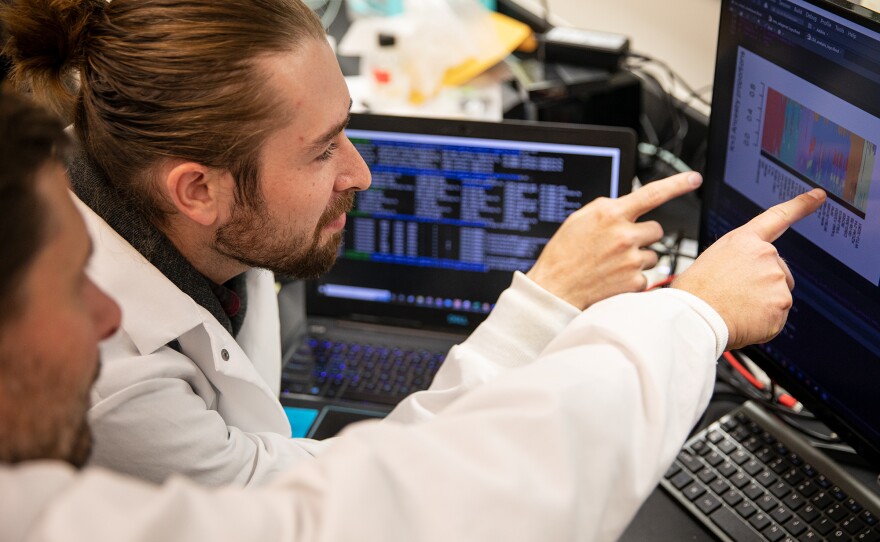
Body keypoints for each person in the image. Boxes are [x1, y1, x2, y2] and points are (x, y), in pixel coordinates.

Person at [0, 0, 819, 490]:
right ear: (198, 190)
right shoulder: (107, 379)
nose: (358, 172)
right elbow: (361, 510)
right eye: (321, 150)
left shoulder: (154, 198)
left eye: (344, 130)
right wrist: (682, 316)